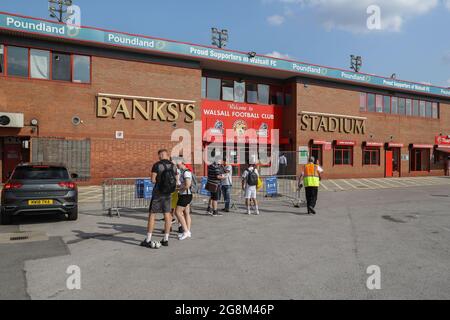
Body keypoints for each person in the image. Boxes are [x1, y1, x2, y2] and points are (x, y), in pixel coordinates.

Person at [141, 149, 178, 248]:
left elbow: (153, 180)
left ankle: (148, 239)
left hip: (158, 193)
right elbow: (176, 179)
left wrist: (160, 182)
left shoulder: (157, 165)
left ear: (160, 155)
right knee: (167, 214)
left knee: (152, 214)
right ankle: (166, 239)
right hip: (168, 193)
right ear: (167, 155)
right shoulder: (173, 166)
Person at [175, 159, 193, 241]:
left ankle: (185, 231)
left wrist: (178, 188)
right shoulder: (183, 172)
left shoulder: (186, 172)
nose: (176, 165)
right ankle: (188, 231)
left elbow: (188, 184)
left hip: (185, 195)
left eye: (177, 163)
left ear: (182, 163)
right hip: (185, 195)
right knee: (186, 213)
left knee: (178, 212)